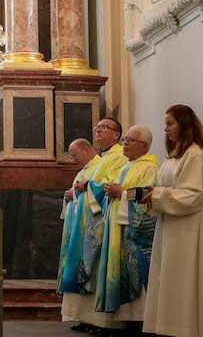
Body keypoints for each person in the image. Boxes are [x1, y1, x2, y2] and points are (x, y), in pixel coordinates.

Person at [142, 105, 203, 337]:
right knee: (167, 278)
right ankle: (169, 329)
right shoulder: (175, 155)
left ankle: (186, 330)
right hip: (170, 225)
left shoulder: (195, 154)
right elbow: (161, 185)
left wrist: (157, 195)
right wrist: (149, 191)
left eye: (170, 123)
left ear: (184, 125)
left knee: (184, 279)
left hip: (188, 228)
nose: (165, 129)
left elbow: (193, 195)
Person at [58, 120, 128, 332]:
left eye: (104, 127)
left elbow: (112, 186)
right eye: (97, 127)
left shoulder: (119, 157)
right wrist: (78, 191)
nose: (98, 129)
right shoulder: (102, 160)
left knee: (98, 271)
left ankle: (103, 323)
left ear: (116, 135)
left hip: (101, 223)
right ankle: (90, 320)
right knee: (88, 272)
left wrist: (83, 189)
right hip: (88, 222)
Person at [95, 125, 159, 325]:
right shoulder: (126, 166)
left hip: (135, 232)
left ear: (144, 145)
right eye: (125, 140)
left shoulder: (150, 167)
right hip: (117, 227)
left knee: (136, 274)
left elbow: (147, 196)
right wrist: (111, 193)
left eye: (130, 140)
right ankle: (123, 321)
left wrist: (120, 193)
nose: (125, 143)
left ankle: (140, 321)